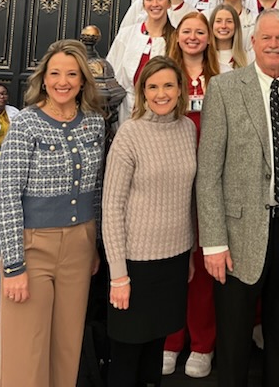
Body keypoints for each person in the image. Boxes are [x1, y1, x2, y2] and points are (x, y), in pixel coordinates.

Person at [196, 9, 279, 387]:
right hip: (238, 235)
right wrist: (214, 242)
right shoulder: (225, 88)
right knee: (234, 338)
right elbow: (209, 172)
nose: (273, 44)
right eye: (266, 37)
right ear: (253, 42)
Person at [0, 39, 105, 387]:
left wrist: (94, 245)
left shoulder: (95, 123)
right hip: (33, 247)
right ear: (43, 79)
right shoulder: (26, 124)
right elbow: (8, 195)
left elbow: (97, 188)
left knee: (67, 345)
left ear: (83, 81)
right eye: (55, 73)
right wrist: (14, 265)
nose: (63, 81)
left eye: (72, 74)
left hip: (79, 246)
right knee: (26, 349)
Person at [102, 56, 197, 387]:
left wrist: (190, 254)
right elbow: (112, 206)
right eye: (152, 86)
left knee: (156, 349)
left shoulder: (188, 129)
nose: (161, 94)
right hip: (134, 264)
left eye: (168, 85)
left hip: (174, 259)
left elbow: (188, 197)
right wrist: (118, 275)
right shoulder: (130, 133)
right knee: (127, 354)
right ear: (142, 92)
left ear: (180, 89)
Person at [164, 13, 220, 378]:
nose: (193, 37)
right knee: (171, 262)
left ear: (209, 37)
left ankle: (202, 344)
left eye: (200, 31)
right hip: (170, 177)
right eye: (187, 31)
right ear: (177, 36)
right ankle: (171, 340)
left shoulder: (221, 79)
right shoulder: (164, 74)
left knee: (202, 265)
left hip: (208, 180)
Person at [108, 0, 175, 124]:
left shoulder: (176, 38)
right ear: (144, 5)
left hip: (162, 111)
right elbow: (110, 68)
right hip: (128, 109)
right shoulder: (127, 34)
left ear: (169, 3)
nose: (155, 4)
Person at [210, 3, 249, 71]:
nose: (223, 26)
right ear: (212, 25)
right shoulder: (203, 58)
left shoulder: (247, 58)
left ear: (236, 26)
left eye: (229, 21)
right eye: (218, 21)